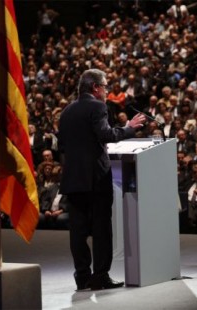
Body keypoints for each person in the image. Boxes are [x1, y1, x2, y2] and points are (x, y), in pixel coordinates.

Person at [58, 69, 146, 291]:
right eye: (105, 86)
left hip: (73, 178)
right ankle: (100, 277)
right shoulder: (97, 106)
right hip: (95, 179)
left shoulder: (66, 111)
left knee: (77, 231)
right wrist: (129, 128)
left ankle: (82, 277)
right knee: (101, 229)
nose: (107, 91)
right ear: (95, 87)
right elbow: (107, 135)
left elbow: (62, 146)